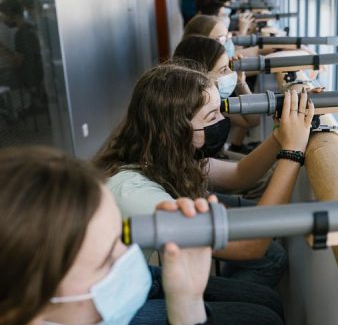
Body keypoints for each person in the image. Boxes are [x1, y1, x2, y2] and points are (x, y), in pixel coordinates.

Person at [0, 147, 212, 325]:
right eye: (107, 261)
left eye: (122, 239)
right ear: (17, 310)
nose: (129, 259)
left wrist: (187, 302)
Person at [94, 64, 312, 288]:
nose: (222, 121)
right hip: (108, 299)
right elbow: (249, 246)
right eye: (211, 117)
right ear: (172, 132)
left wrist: (282, 132)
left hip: (134, 274)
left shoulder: (163, 153)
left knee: (264, 292)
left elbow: (239, 175)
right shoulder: (135, 194)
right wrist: (292, 151)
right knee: (264, 319)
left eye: (220, 111)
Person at [174, 35, 259, 154]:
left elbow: (253, 121)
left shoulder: (213, 100)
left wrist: (241, 82)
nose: (231, 72)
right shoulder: (197, 107)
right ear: (201, 75)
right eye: (224, 70)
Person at [0, 0, 47, 118]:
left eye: (3, 16)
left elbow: (15, 62)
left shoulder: (22, 34)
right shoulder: (30, 28)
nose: (2, 20)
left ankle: (10, 114)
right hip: (37, 73)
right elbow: (19, 55)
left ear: (14, 16)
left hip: (28, 78)